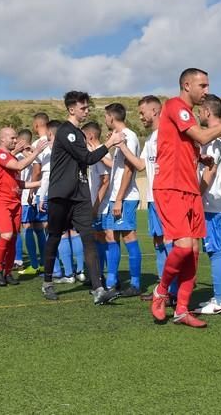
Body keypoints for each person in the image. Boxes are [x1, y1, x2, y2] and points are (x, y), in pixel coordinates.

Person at [151, 68, 221, 328]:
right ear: (186, 85)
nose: (206, 91)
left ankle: (182, 310)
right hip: (170, 187)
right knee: (182, 246)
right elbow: (203, 136)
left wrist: (200, 157)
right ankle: (161, 291)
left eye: (207, 86)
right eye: (202, 85)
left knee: (193, 252)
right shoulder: (175, 105)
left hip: (190, 188)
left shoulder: (189, 115)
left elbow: (189, 144)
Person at [40, 90, 126, 304]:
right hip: (61, 194)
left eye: (87, 107)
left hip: (79, 195)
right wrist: (110, 143)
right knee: (55, 237)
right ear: (71, 109)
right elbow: (87, 158)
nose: (87, 111)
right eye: (83, 108)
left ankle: (98, 289)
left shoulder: (77, 133)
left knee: (88, 238)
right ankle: (47, 282)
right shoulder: (67, 132)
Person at [116, 96, 176, 301]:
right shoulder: (151, 138)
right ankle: (162, 288)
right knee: (158, 241)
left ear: (155, 111)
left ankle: (172, 290)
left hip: (165, 197)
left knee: (169, 242)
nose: (140, 116)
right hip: (153, 198)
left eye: (143, 112)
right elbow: (141, 165)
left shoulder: (166, 135)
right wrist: (122, 147)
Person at [194, 94, 221, 315]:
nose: (198, 114)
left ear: (208, 112)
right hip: (220, 201)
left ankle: (220, 300)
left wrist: (195, 197)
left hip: (214, 203)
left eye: (200, 111)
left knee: (216, 251)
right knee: (214, 250)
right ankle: (218, 295)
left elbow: (210, 171)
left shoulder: (213, 139)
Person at [0, 127, 46, 287]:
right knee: (6, 235)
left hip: (14, 202)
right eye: (13, 138)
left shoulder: (9, 157)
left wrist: (41, 183)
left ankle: (8, 272)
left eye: (16, 138)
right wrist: (36, 152)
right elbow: (19, 166)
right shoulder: (0, 155)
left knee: (14, 237)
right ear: (3, 139)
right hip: (1, 202)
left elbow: (18, 183)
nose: (15, 141)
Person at [103, 102, 143, 296]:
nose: (105, 120)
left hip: (125, 197)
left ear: (111, 117)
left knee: (129, 236)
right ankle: (112, 280)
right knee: (111, 235)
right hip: (116, 196)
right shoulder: (119, 137)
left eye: (105, 116)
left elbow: (129, 169)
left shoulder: (129, 136)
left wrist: (119, 199)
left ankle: (135, 283)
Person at [17, 113, 51, 276]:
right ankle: (45, 263)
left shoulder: (37, 145)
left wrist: (31, 192)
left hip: (32, 195)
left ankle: (34, 264)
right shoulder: (54, 141)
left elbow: (36, 172)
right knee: (40, 228)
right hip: (49, 191)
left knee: (28, 227)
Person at [83, 121, 112, 278]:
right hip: (97, 205)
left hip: (101, 207)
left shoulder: (101, 153)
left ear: (89, 136)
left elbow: (105, 180)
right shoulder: (96, 153)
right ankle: (99, 274)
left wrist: (95, 207)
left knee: (102, 239)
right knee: (98, 238)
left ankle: (103, 275)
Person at [14, 128, 35, 270]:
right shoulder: (31, 155)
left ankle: (20, 260)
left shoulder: (21, 157)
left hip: (24, 197)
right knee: (35, 229)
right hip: (30, 196)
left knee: (22, 229)